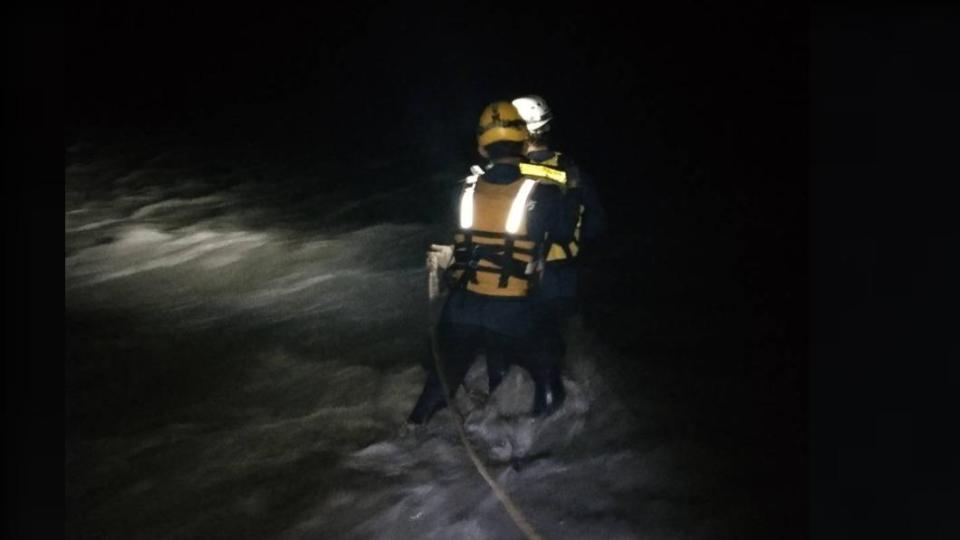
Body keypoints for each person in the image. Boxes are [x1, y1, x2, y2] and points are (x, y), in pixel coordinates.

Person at [407, 101, 573, 425]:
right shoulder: (544, 194)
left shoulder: (463, 192)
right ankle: (543, 444)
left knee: (440, 383)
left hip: (461, 314)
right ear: (524, 142)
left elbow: (476, 247)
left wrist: (453, 259)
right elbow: (564, 235)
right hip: (514, 316)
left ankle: (412, 430)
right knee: (549, 368)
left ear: (482, 148)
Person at [508, 95, 606, 414]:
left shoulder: (511, 175)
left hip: (531, 275)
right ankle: (565, 401)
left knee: (531, 343)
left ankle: (546, 407)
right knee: (553, 335)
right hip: (569, 273)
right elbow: (595, 224)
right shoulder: (573, 170)